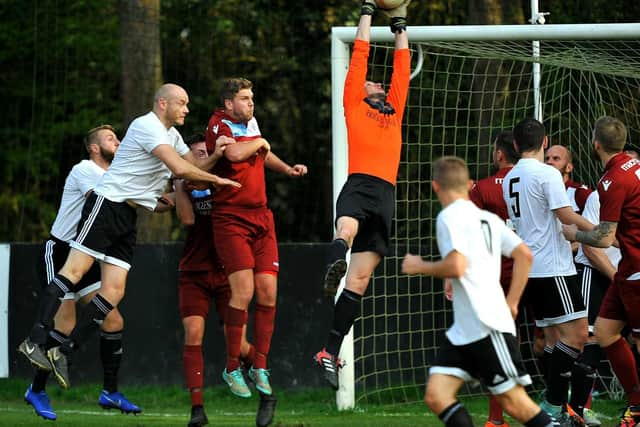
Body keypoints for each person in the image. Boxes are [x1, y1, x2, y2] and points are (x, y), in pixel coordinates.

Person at [18, 83, 240, 390]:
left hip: (127, 216)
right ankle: (35, 339)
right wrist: (217, 179)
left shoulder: (172, 135)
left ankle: (64, 350)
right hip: (107, 205)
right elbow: (180, 168)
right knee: (74, 271)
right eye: (182, 103)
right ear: (163, 104)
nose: (187, 109)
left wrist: (215, 155)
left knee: (115, 291)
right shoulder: (147, 125)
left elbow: (193, 164)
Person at [402, 156, 559, 427]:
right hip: (465, 330)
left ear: (435, 186)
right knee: (437, 395)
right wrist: (511, 301)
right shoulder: (487, 218)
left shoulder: (448, 216)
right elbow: (524, 254)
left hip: (486, 325)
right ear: (469, 185)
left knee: (516, 404)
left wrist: (419, 265)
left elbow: (457, 265)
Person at [313, 0, 411, 391]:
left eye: (378, 83)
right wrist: (369, 10)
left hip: (385, 196)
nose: (378, 84)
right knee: (347, 230)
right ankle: (333, 262)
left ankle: (328, 351)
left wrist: (400, 22)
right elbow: (361, 54)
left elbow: (401, 69)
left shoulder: (395, 108)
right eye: (373, 82)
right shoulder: (354, 100)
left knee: (361, 279)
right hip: (360, 184)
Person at [21, 125, 139, 420]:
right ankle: (36, 390)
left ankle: (110, 392)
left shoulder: (117, 176)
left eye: (119, 137)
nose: (119, 142)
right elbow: (104, 200)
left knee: (113, 319)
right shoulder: (85, 169)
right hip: (60, 252)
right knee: (66, 323)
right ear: (94, 148)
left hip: (85, 255)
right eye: (112, 138)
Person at [205, 78, 307, 400]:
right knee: (244, 290)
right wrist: (260, 143)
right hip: (230, 218)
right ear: (228, 103)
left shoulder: (249, 123)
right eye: (245, 98)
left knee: (267, 291)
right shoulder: (218, 122)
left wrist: (286, 168)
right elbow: (235, 154)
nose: (251, 103)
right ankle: (232, 366)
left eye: (252, 98)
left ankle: (259, 365)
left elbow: (262, 153)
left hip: (261, 217)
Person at [176, 133, 275, 427]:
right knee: (193, 332)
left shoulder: (228, 183)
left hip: (226, 274)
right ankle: (197, 410)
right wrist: (179, 187)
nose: (204, 156)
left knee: (241, 345)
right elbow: (187, 220)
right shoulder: (185, 185)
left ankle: (265, 391)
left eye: (208, 151)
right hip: (193, 272)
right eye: (198, 154)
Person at [502, 117, 594, 423]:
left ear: (515, 146)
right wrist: (597, 230)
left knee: (555, 341)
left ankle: (559, 410)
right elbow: (564, 214)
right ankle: (553, 406)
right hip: (552, 269)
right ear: (544, 142)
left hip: (529, 269)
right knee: (579, 335)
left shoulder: (510, 178)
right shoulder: (547, 174)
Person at [562, 116, 640, 426]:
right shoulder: (633, 167)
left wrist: (574, 235)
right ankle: (636, 407)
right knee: (604, 334)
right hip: (626, 271)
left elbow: (604, 237)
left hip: (636, 271)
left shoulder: (611, 181)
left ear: (595, 144)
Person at [469, 131, 520, 427]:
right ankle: (567, 408)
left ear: (499, 154)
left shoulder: (484, 188)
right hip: (539, 271)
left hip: (499, 275)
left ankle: (496, 419)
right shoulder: (539, 179)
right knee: (557, 340)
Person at [545, 145, 593, 214]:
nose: (549, 162)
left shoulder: (580, 193)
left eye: (556, 158)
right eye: (547, 159)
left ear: (569, 168)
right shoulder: (538, 192)